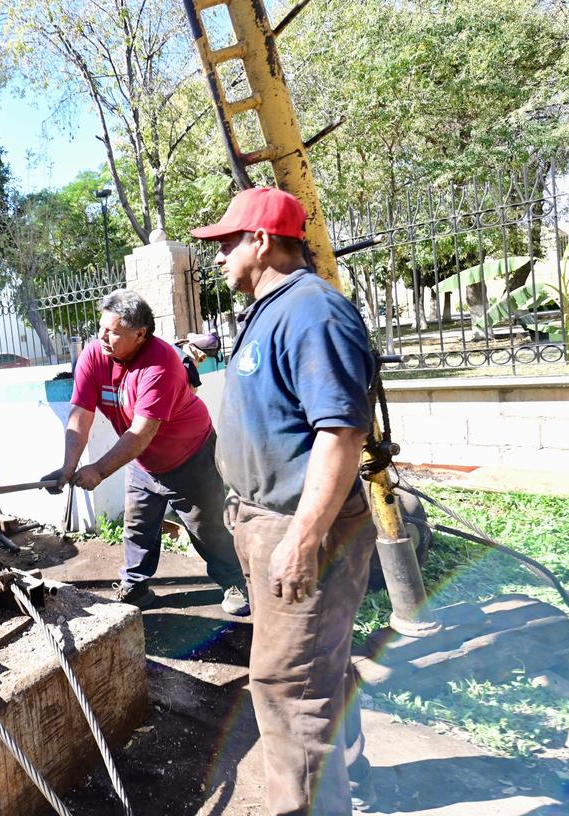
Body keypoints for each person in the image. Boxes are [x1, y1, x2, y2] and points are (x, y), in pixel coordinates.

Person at [192, 187, 376, 815]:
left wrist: (299, 541)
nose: (217, 257)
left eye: (225, 243)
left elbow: (341, 435)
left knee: (286, 688)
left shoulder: (313, 313)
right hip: (263, 521)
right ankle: (351, 778)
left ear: (262, 241)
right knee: (316, 668)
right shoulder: (271, 309)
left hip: (301, 528)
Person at [43, 288, 249, 615]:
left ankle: (234, 581)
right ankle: (135, 588)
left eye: (114, 332)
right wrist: (69, 467)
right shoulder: (94, 355)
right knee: (138, 528)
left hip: (190, 456)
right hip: (143, 462)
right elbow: (80, 415)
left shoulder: (162, 362)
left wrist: (98, 470)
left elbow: (140, 433)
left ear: (140, 334)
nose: (103, 338)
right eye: (101, 328)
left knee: (206, 528)